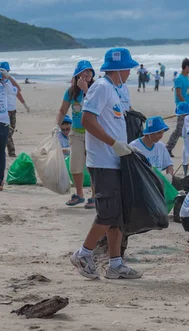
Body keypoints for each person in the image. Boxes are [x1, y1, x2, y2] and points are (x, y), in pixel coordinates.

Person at [70, 47, 142, 280]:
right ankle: (83, 253)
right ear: (118, 70)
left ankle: (115, 263)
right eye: (128, 69)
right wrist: (113, 143)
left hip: (118, 159)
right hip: (103, 161)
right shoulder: (101, 88)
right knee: (107, 212)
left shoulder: (118, 90)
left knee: (118, 215)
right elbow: (87, 120)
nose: (130, 73)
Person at [55, 60, 96, 208]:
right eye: (84, 71)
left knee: (93, 166)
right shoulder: (71, 92)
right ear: (77, 75)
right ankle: (79, 194)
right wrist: (56, 125)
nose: (87, 74)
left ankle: (95, 196)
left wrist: (86, 90)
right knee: (75, 165)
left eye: (90, 71)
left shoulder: (96, 88)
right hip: (77, 133)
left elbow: (97, 105)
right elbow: (62, 110)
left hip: (93, 133)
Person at [0, 61, 29, 158]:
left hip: (13, 110)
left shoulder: (12, 81)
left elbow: (18, 92)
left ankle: (0, 148)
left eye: (6, 71)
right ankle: (11, 152)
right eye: (2, 71)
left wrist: (24, 104)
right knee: (7, 132)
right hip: (4, 111)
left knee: (10, 132)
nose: (4, 74)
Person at [166, 58, 189, 157]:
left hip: (188, 107)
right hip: (182, 108)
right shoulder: (179, 78)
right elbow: (178, 93)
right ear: (186, 67)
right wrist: (185, 105)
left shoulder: (187, 77)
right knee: (179, 130)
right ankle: (168, 148)